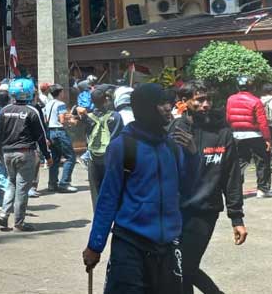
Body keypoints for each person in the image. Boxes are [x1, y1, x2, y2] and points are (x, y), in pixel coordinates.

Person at [82, 84, 198, 293]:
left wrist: (192, 155)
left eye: (168, 103)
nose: (168, 108)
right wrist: (95, 245)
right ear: (146, 107)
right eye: (161, 103)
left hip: (167, 247)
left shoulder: (172, 147)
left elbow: (187, 189)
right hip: (130, 245)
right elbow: (108, 199)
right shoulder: (123, 146)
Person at [168, 82, 246, 294]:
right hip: (174, 211)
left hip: (205, 210)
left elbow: (231, 176)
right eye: (199, 99)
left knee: (186, 266)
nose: (206, 104)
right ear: (184, 102)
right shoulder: (175, 130)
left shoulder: (222, 132)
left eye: (208, 99)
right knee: (176, 267)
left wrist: (236, 218)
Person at [0, 78, 51, 232]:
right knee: (22, 188)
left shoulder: (5, 110)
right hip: (25, 153)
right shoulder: (32, 111)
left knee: (11, 183)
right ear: (30, 93)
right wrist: (47, 156)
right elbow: (41, 136)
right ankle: (19, 222)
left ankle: (4, 214)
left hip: (7, 153)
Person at [225, 76, 272, 198]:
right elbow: (262, 122)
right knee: (262, 162)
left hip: (237, 135)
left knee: (239, 162)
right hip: (255, 135)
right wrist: (267, 138)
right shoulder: (256, 101)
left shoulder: (230, 99)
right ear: (253, 88)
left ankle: (237, 190)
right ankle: (263, 190)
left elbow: (228, 118)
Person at [79, 86, 124, 208]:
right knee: (112, 188)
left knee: (96, 190)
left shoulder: (87, 117)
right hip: (111, 157)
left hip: (93, 157)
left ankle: (98, 213)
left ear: (92, 101)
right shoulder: (116, 117)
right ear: (106, 100)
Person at [44, 84, 77, 193]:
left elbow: (46, 119)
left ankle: (52, 184)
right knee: (70, 157)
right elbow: (62, 120)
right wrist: (71, 122)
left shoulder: (48, 104)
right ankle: (64, 183)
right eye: (62, 91)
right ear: (60, 92)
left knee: (55, 158)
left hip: (50, 132)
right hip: (59, 132)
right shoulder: (60, 104)